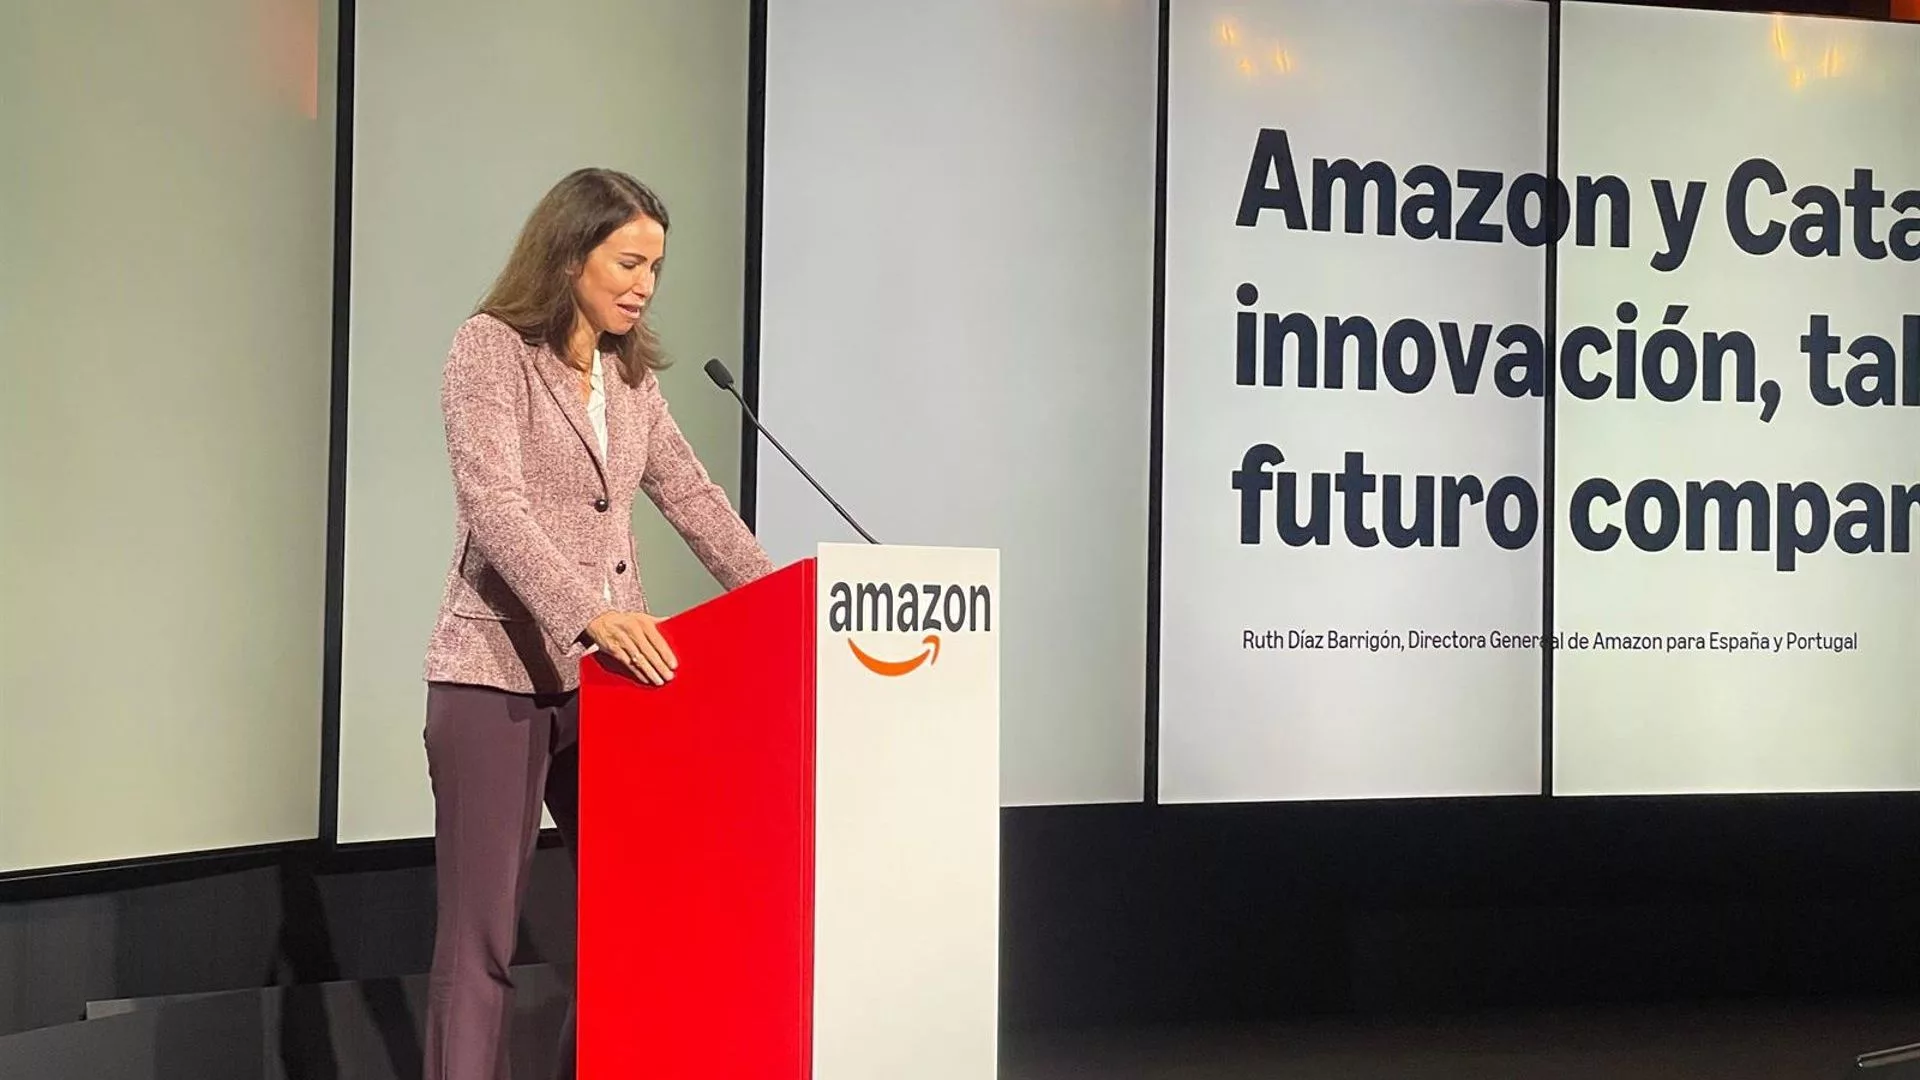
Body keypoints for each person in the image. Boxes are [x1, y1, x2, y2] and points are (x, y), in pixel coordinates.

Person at [418, 166, 774, 1080]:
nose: (644, 284)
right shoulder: (490, 349)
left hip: (606, 690)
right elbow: (493, 506)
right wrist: (592, 615)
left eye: (655, 267)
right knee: (482, 940)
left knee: (637, 914)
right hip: (493, 673)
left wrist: (787, 602)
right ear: (571, 253)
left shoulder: (628, 375)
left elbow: (693, 500)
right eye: (628, 262)